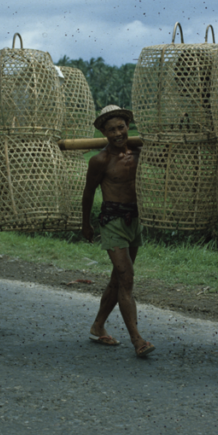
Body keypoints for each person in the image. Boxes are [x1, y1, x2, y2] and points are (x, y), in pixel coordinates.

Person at [81, 105, 155, 358]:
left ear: (128, 127)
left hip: (134, 221)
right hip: (112, 221)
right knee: (126, 279)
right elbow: (89, 192)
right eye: (111, 130)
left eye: (121, 127)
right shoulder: (100, 160)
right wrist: (85, 224)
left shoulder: (138, 152)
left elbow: (163, 158)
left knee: (118, 278)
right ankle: (137, 340)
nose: (117, 133)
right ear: (103, 132)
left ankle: (98, 325)